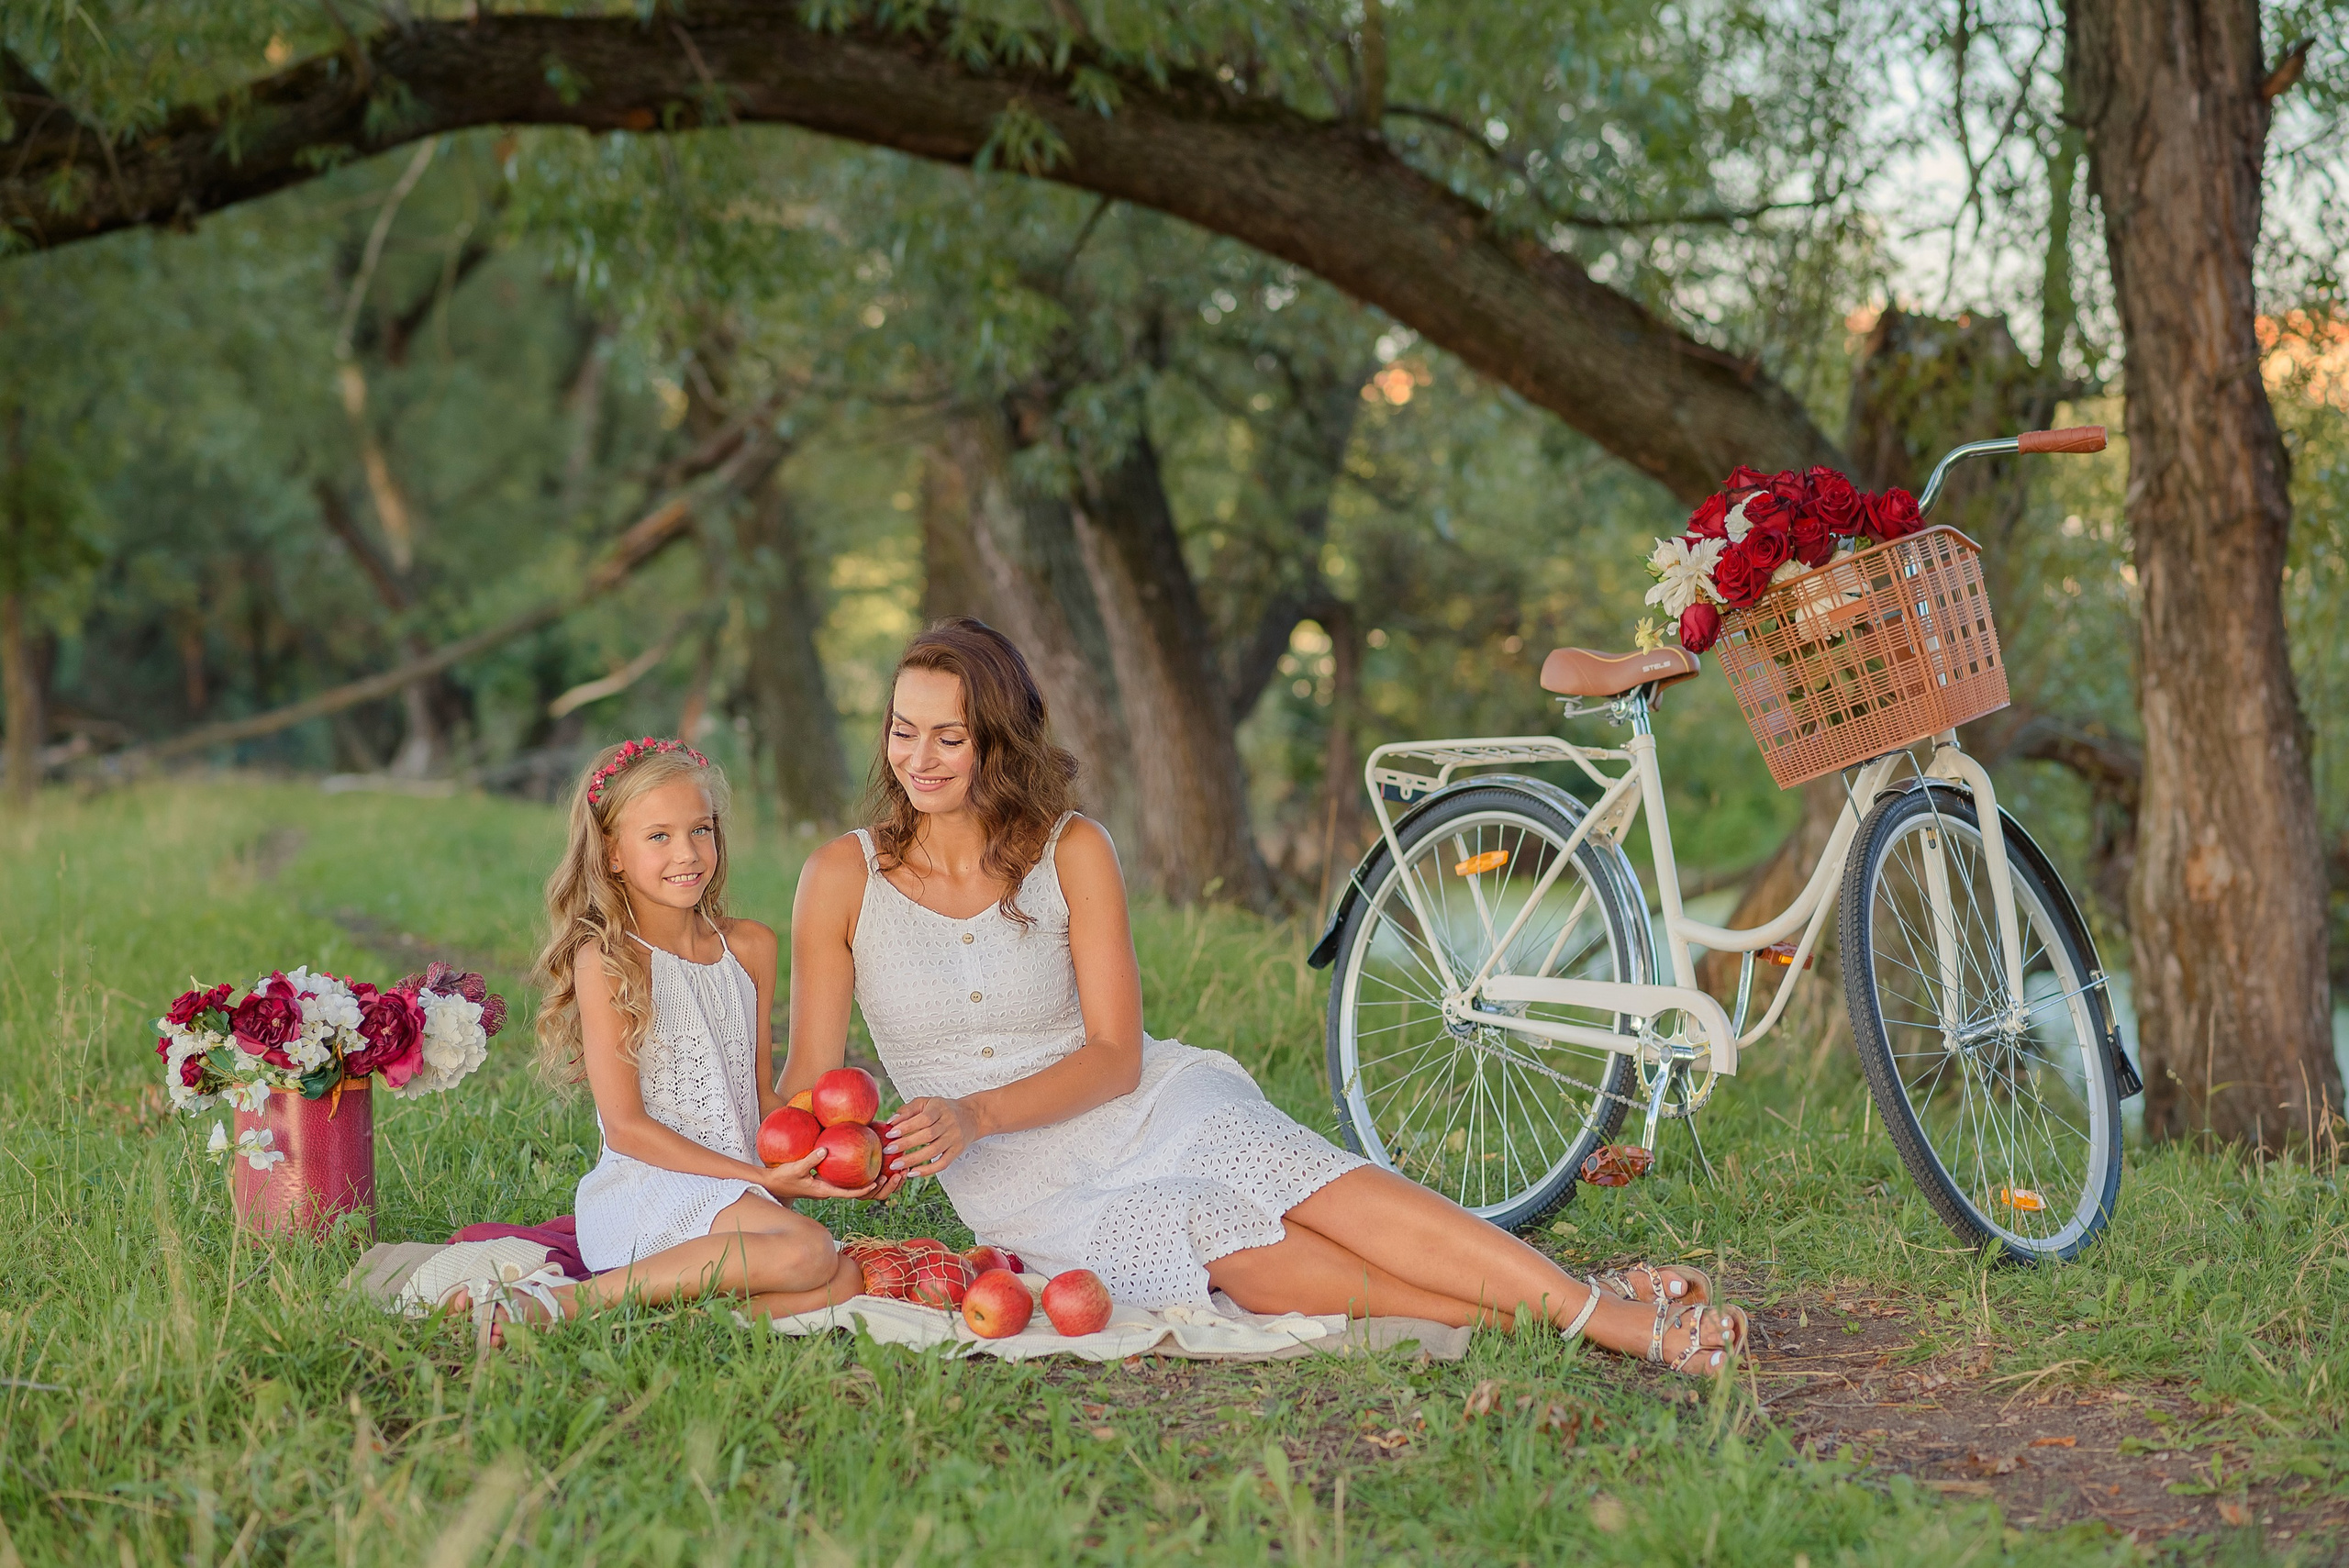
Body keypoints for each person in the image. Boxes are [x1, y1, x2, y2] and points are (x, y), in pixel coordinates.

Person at [784, 619, 1745, 1373]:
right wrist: (837, 1162)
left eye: (948, 735)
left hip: (1132, 1098)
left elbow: (1115, 1055)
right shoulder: (841, 877)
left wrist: (977, 1109)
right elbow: (808, 1085)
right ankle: (1580, 1309)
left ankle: (1598, 1313)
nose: (918, 757)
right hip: (1017, 1182)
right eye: (902, 730)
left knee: (1285, 1165)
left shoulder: (1072, 849)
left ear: (995, 741)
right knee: (1204, 1221)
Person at [453, 739, 875, 1341]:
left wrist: (836, 1153)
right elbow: (627, 1129)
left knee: (844, 1278)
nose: (688, 853)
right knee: (810, 1252)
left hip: (737, 1189)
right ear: (613, 854)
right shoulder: (610, 961)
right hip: (648, 1188)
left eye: (701, 829)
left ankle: (673, 1323)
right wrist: (758, 1180)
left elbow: (757, 1096)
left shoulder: (751, 947)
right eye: (659, 836)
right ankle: (565, 1305)